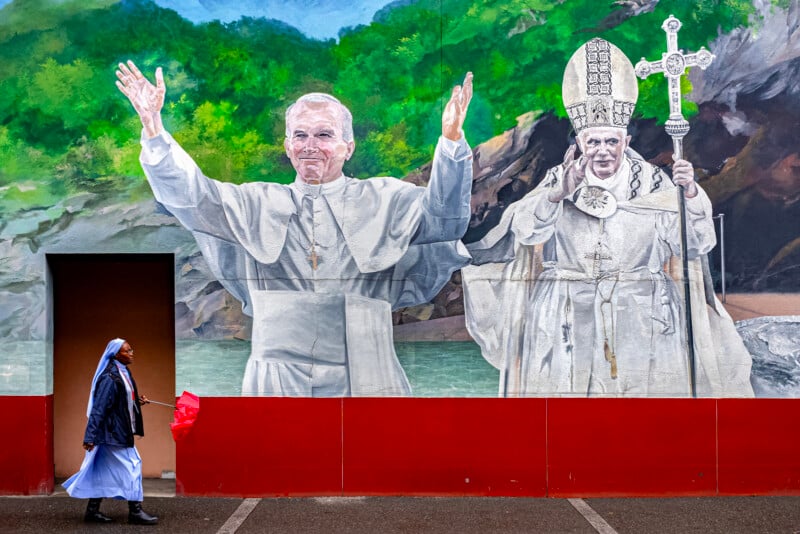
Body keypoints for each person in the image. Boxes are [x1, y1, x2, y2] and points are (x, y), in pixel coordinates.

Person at [115, 61, 474, 397]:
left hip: (368, 362)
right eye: (300, 135)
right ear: (287, 146)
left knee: (373, 456)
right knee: (278, 457)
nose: (310, 146)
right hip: (277, 367)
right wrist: (154, 128)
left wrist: (452, 144)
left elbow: (445, 220)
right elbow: (192, 197)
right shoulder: (255, 203)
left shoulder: (386, 197)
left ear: (348, 147)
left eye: (323, 135)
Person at [462, 38, 754, 397]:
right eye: (593, 142)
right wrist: (557, 195)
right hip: (567, 314)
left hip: (641, 312)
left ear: (625, 140)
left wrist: (690, 194)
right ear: (581, 142)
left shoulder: (652, 182)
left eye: (611, 142)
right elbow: (524, 231)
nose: (602, 151)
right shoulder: (560, 179)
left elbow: (694, 243)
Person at [62, 338, 159, 524]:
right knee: (133, 465)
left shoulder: (123, 372)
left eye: (131, 350)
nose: (132, 354)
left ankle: (92, 511)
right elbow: (99, 408)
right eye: (127, 351)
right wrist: (90, 436)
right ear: (115, 355)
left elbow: (119, 403)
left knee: (100, 469)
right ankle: (135, 512)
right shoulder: (110, 377)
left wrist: (137, 401)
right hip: (113, 433)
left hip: (116, 431)